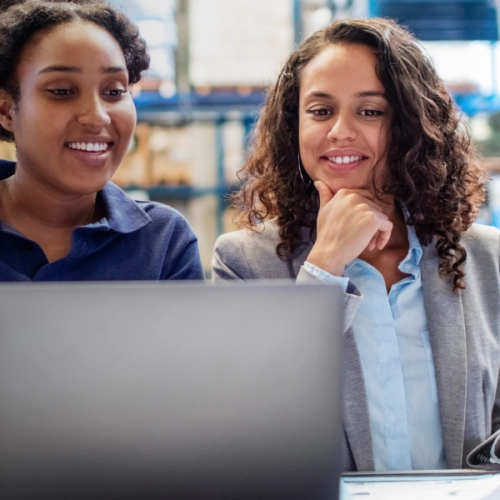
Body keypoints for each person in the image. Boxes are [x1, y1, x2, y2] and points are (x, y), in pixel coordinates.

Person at [212, 18, 500, 472]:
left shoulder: (486, 257)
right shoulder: (244, 261)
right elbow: (248, 418)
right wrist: (324, 266)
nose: (340, 131)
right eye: (321, 111)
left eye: (370, 111)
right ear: (295, 126)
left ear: (409, 125)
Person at [0, 0, 204, 281]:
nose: (97, 117)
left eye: (114, 92)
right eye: (62, 91)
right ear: (6, 109)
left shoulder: (163, 242)